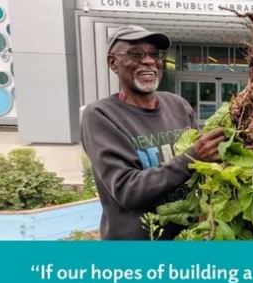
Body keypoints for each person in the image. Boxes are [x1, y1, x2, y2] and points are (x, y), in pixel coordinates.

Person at [80, 25, 226, 240]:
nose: (148, 61)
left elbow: (203, 170)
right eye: (135, 54)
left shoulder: (177, 104)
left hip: (187, 238)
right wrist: (192, 157)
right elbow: (126, 189)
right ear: (113, 63)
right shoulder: (101, 115)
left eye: (154, 54)